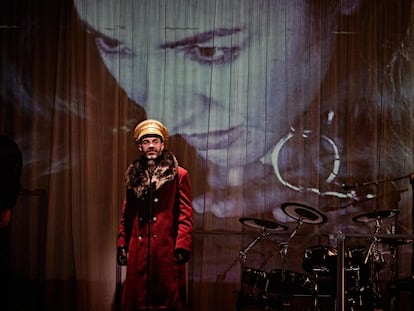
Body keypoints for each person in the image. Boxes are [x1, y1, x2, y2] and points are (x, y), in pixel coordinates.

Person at [116, 119, 193, 311]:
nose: (151, 145)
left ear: (162, 144)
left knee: (165, 299)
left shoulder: (179, 175)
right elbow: (127, 213)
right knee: (138, 298)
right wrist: (122, 243)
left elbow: (185, 214)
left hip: (165, 250)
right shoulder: (134, 176)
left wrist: (182, 246)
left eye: (155, 141)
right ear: (140, 146)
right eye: (146, 141)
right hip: (139, 247)